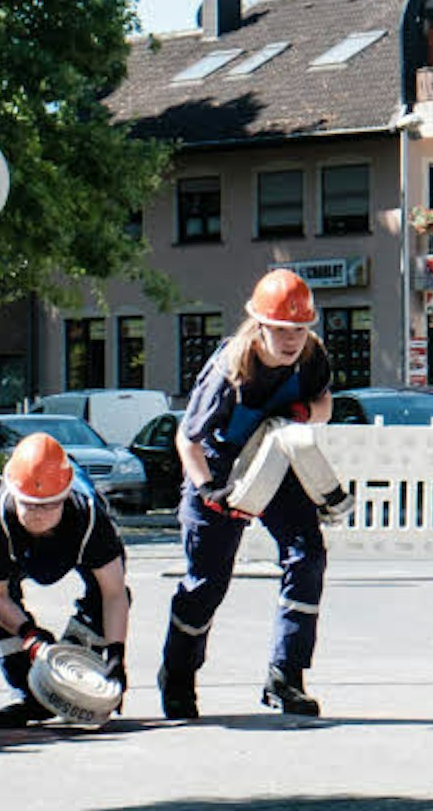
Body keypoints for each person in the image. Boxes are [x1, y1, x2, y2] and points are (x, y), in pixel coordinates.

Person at [163, 269, 334, 720]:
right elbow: (187, 440)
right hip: (216, 468)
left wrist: (303, 411)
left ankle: (286, 675)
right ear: (259, 325)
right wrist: (208, 491)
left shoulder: (311, 356)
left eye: (299, 329)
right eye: (281, 329)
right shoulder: (229, 369)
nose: (292, 339)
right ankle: (177, 676)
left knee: (308, 556)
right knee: (207, 581)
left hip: (275, 461)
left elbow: (325, 405)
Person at [0, 433, 130, 728]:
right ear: (13, 493)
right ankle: (29, 695)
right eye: (29, 505)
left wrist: (115, 655)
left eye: (48, 506)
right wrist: (29, 634)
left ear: (65, 497)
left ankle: (79, 671)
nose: (38, 515)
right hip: (19, 559)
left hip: (74, 546)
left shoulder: (89, 516)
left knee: (105, 596)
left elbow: (114, 594)